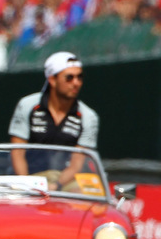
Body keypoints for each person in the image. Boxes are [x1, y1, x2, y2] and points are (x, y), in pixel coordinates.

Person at [8, 51, 98, 190]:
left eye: (79, 77)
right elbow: (17, 152)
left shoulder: (88, 116)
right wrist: (27, 185)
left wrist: (56, 186)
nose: (76, 83)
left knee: (88, 194)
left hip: (65, 179)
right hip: (28, 176)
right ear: (52, 80)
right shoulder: (27, 105)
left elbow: (76, 163)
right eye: (69, 78)